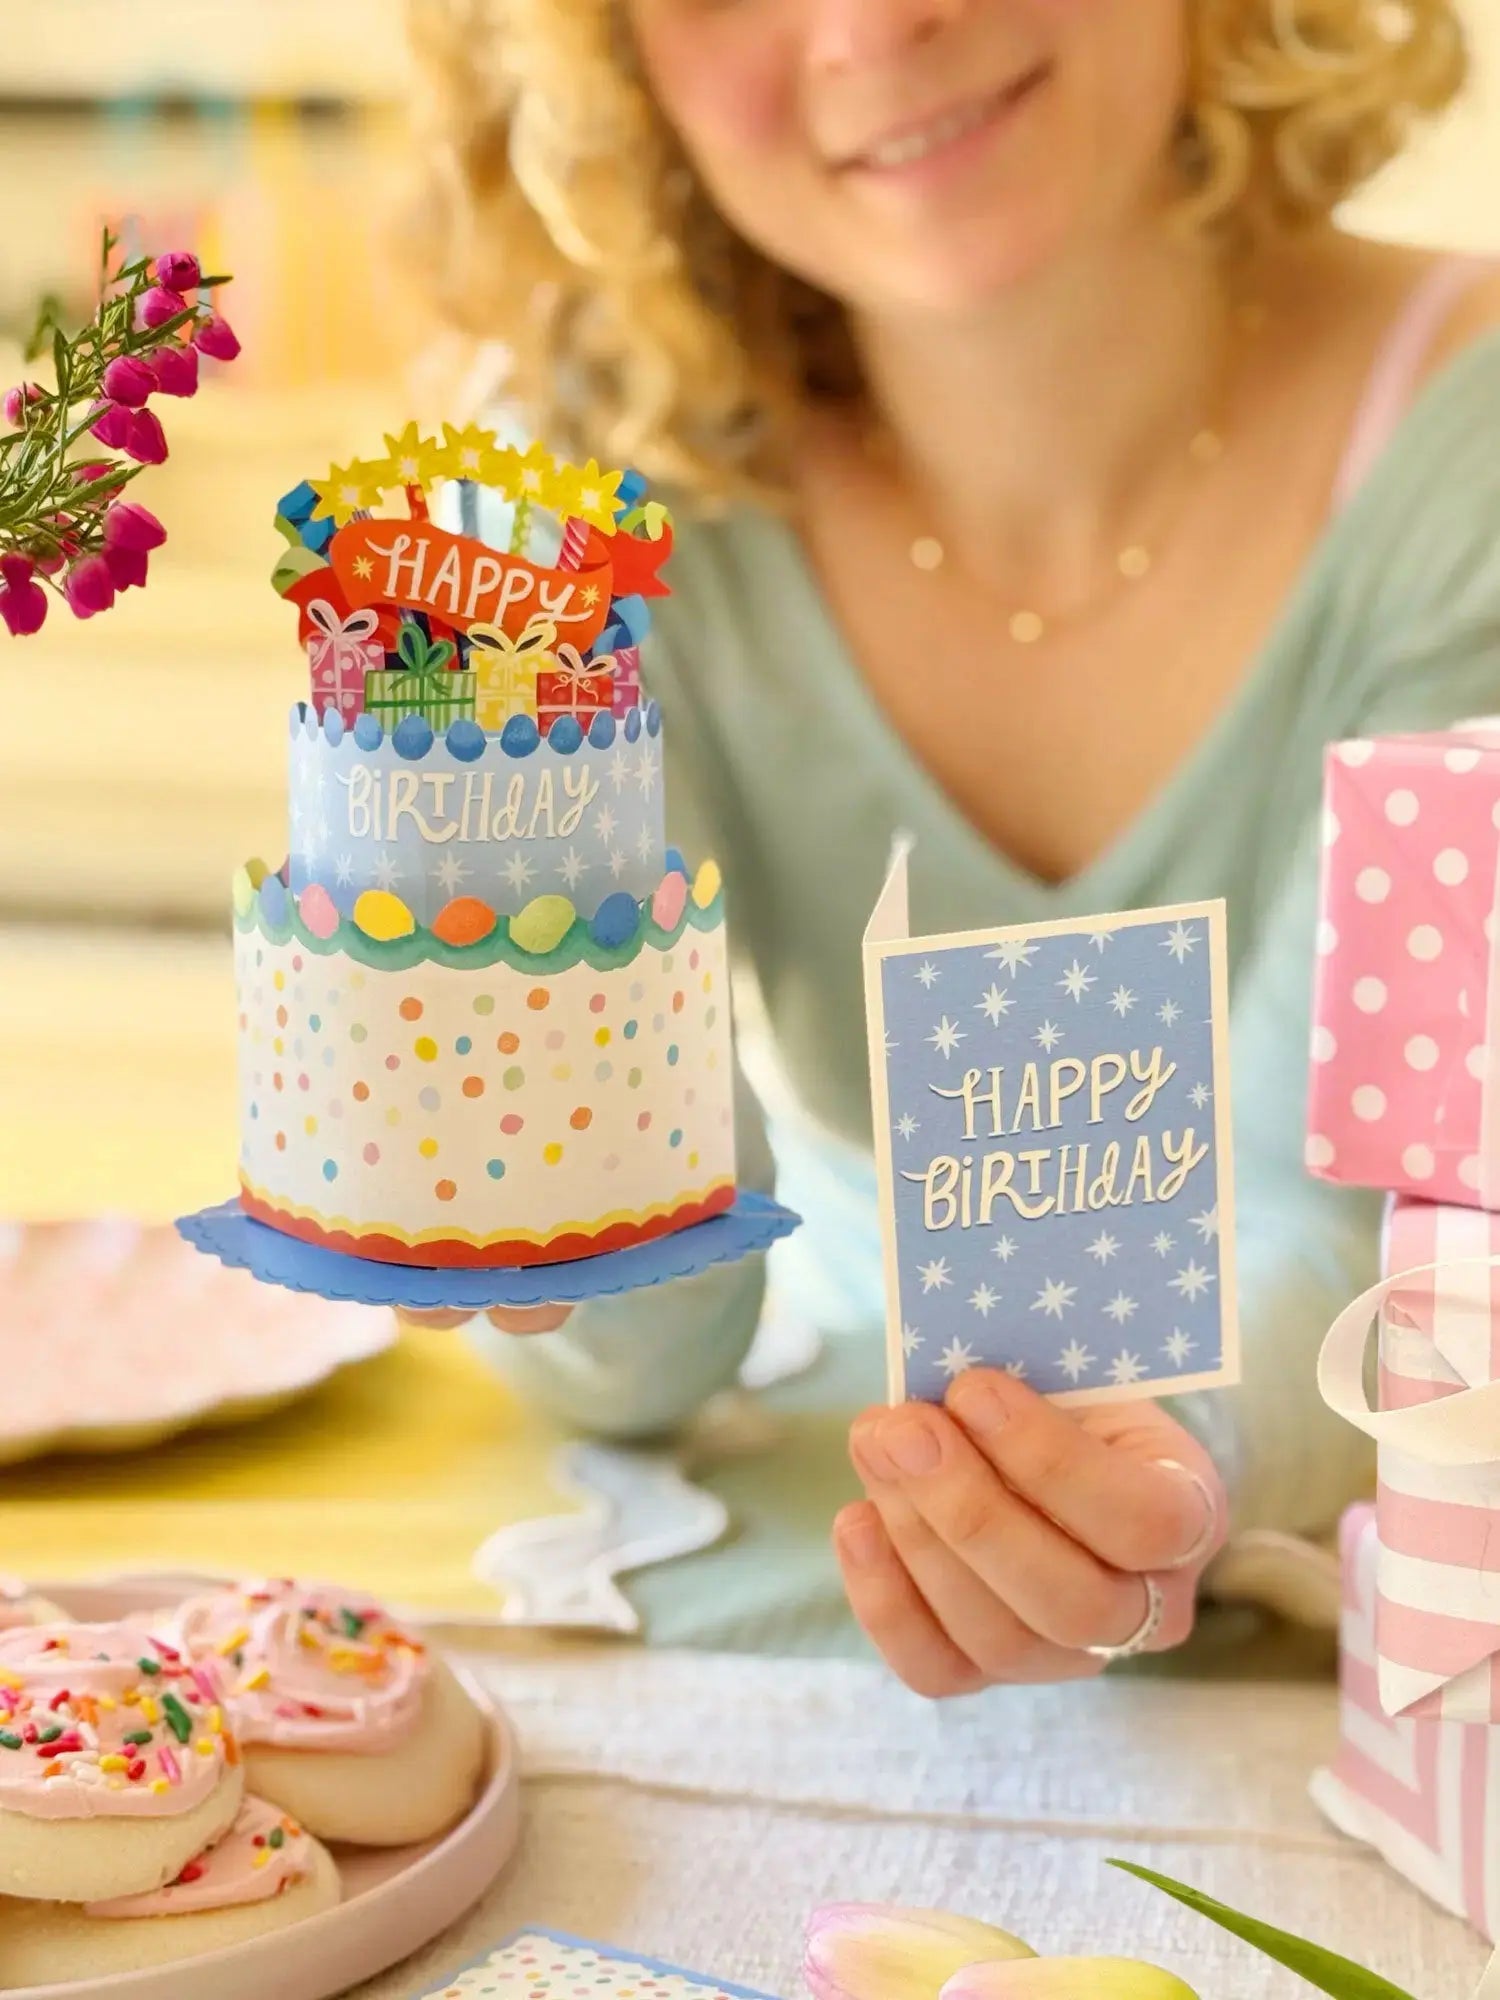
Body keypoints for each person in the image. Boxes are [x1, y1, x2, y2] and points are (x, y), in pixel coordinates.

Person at [406, 0, 1500, 1686]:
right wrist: (511, 1132)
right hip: (792, 1593)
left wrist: (1150, 1465)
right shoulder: (550, 513)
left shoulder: (1466, 453)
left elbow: (1361, 1238)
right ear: (607, 59)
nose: (874, 23)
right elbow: (633, 1369)